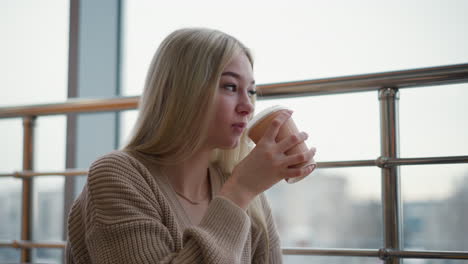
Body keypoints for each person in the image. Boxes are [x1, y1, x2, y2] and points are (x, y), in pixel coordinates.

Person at [66, 28, 316, 264]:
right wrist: (240, 191)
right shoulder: (117, 175)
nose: (248, 105)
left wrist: (243, 189)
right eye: (230, 87)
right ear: (183, 92)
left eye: (250, 91)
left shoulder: (242, 187)